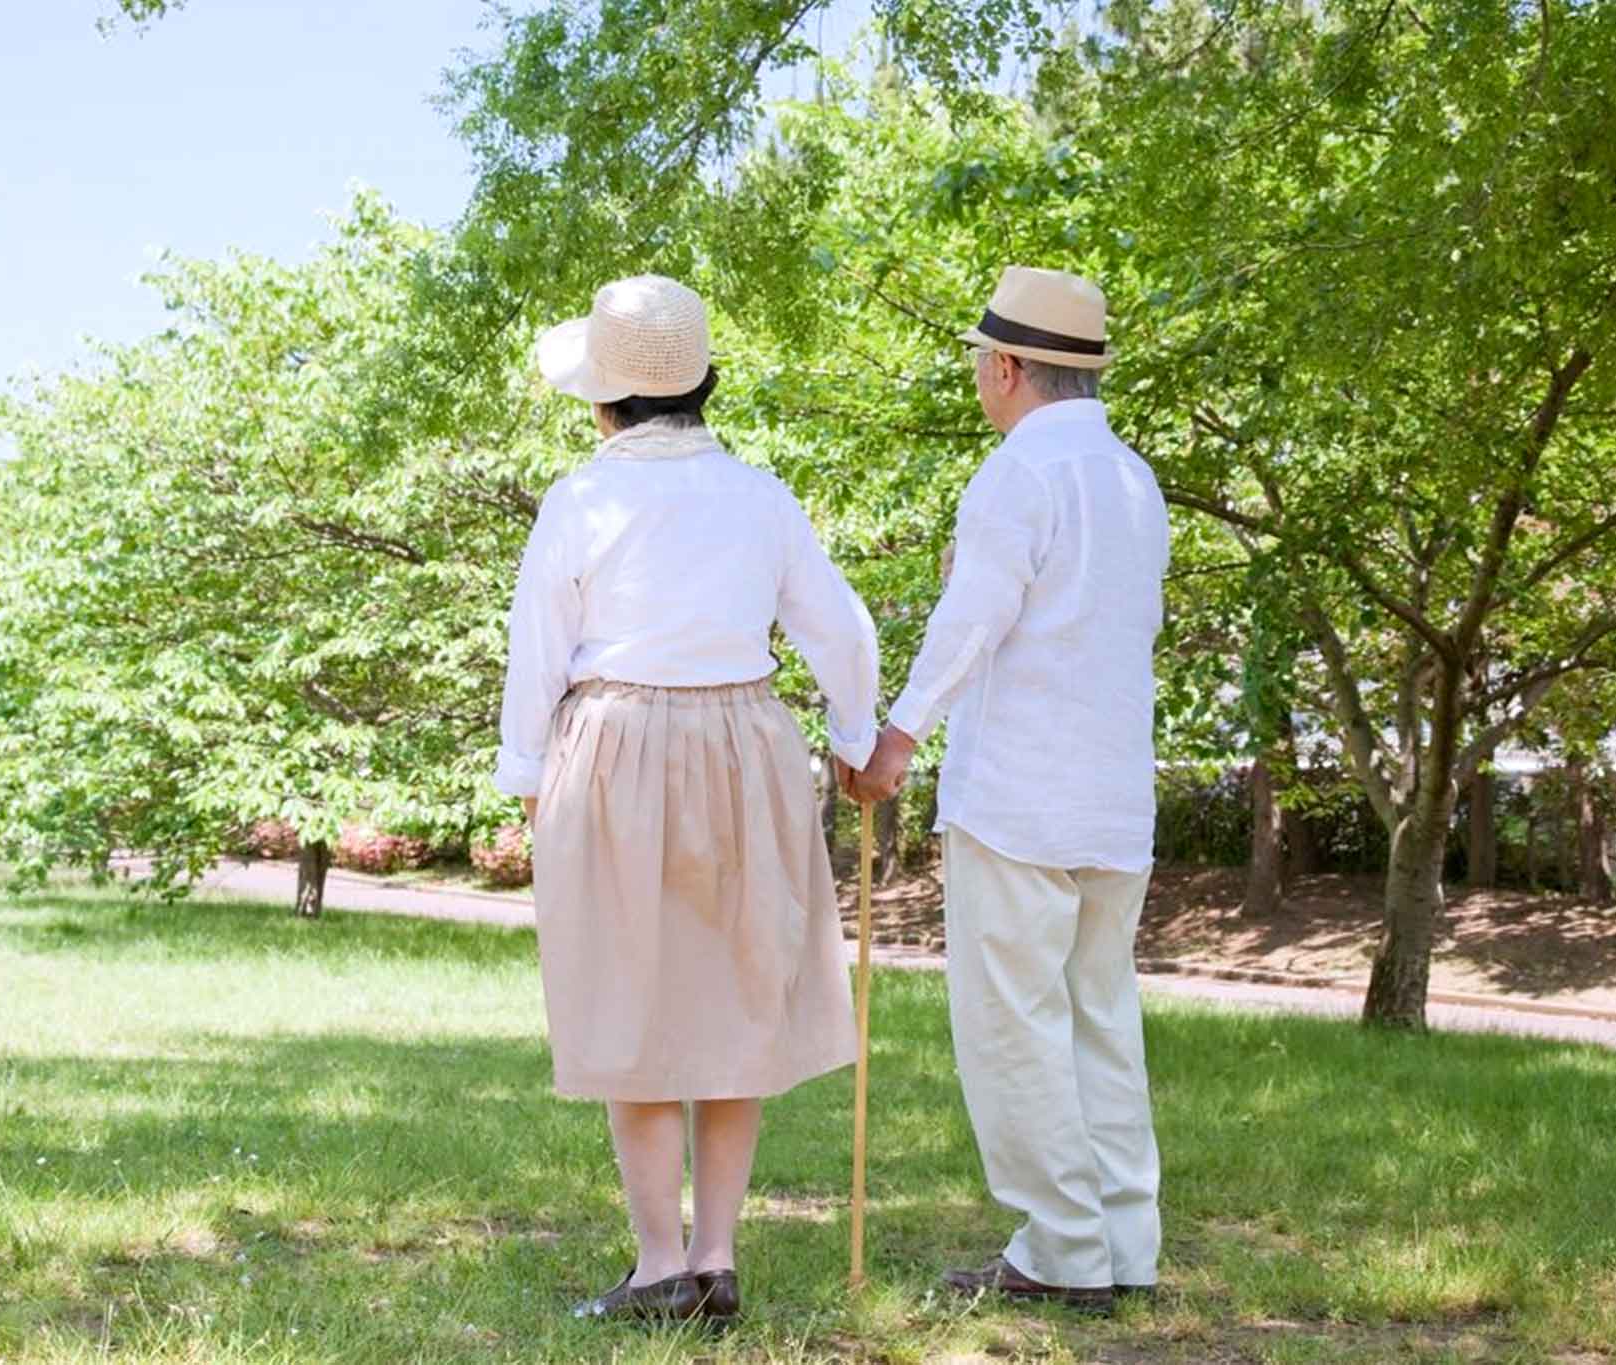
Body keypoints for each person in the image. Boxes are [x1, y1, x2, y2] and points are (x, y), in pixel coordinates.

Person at [494, 274, 878, 1324]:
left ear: (601, 399)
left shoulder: (583, 499)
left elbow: (537, 651)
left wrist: (525, 778)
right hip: (742, 740)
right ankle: (712, 1256)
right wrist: (855, 738)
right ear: (702, 384)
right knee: (734, 991)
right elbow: (840, 630)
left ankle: (663, 1262)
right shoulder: (758, 495)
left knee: (633, 999)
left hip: (614, 741)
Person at [845, 266, 1171, 1313]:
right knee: (1098, 1018)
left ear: (1005, 369)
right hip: (1112, 797)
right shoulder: (1132, 480)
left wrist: (897, 735)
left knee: (1014, 1023)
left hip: (1020, 796)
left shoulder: (1017, 475)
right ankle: (1124, 1240)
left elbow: (972, 619)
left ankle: (1064, 1247)